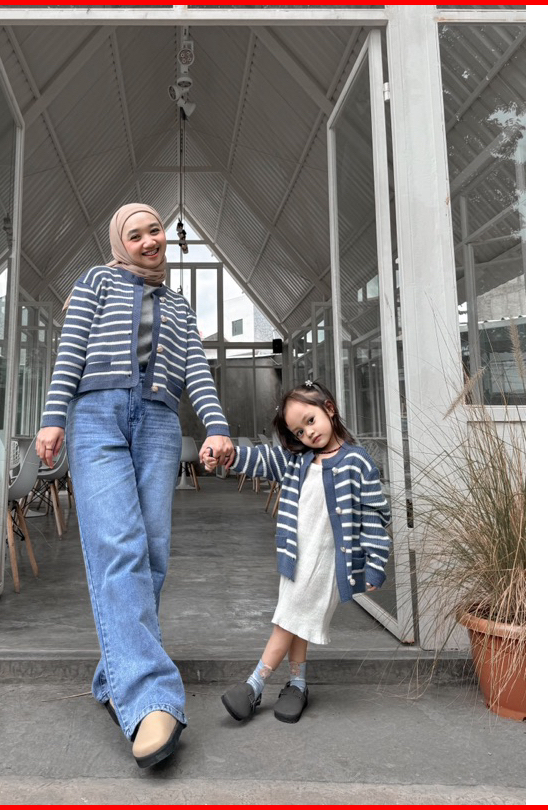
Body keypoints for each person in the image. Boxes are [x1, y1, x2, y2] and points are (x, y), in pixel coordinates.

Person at [36, 203, 235, 767]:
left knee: (153, 554)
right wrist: (53, 418)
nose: (149, 240)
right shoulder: (95, 281)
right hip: (97, 418)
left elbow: (195, 368)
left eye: (155, 231)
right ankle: (152, 697)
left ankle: (115, 678)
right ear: (119, 242)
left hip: (160, 425)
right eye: (136, 234)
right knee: (119, 548)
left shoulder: (178, 304)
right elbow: (71, 351)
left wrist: (216, 426)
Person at [203, 380, 391, 724]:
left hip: (327, 563)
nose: (308, 433)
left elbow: (374, 515)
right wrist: (226, 455)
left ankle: (254, 684)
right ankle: (297, 683)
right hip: (296, 558)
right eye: (299, 431)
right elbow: (259, 458)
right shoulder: (296, 460)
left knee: (288, 619)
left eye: (310, 420)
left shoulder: (358, 462)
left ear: (329, 409)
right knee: (297, 620)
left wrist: (375, 564)